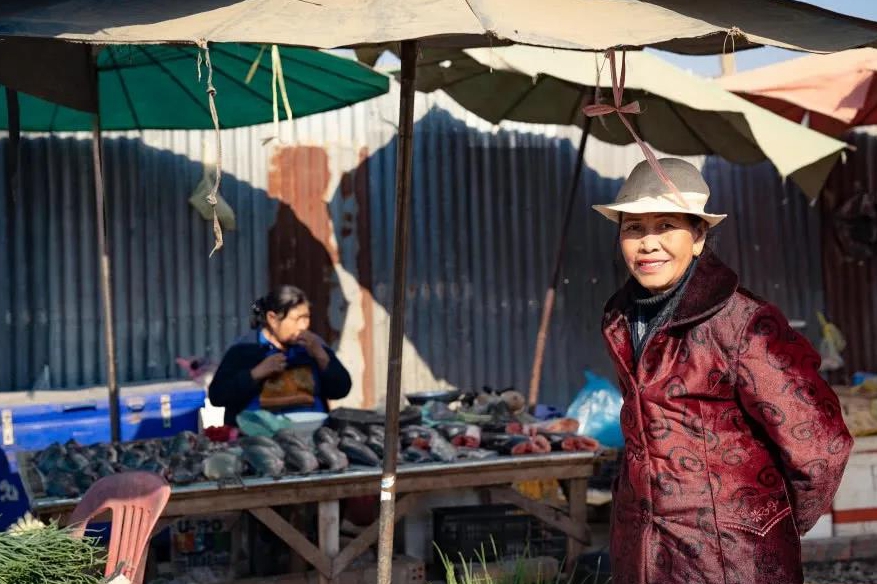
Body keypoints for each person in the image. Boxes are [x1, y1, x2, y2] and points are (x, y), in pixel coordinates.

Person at [594, 158, 852, 584]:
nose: (648, 243)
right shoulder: (619, 319)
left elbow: (820, 446)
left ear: (698, 237)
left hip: (729, 559)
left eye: (665, 226)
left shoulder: (744, 322)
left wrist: (767, 522)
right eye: (633, 228)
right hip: (642, 553)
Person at [209, 286, 352, 427]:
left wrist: (321, 356)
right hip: (258, 440)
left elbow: (341, 390)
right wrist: (256, 374)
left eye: (306, 318)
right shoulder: (245, 349)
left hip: (311, 433)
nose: (303, 326)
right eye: (297, 319)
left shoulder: (313, 345)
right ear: (272, 319)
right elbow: (217, 396)